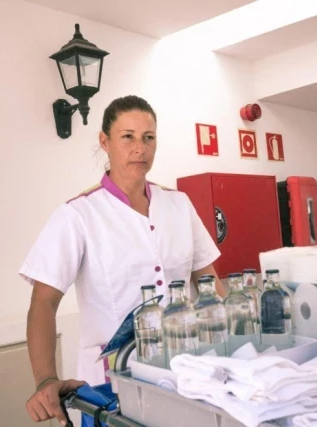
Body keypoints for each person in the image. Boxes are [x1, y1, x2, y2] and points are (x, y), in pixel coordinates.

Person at [20, 95, 224, 424]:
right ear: (105, 141)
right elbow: (43, 302)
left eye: (148, 137)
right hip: (112, 380)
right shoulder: (78, 214)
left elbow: (208, 283)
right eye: (127, 136)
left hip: (185, 369)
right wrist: (45, 379)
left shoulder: (179, 205)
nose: (139, 148)